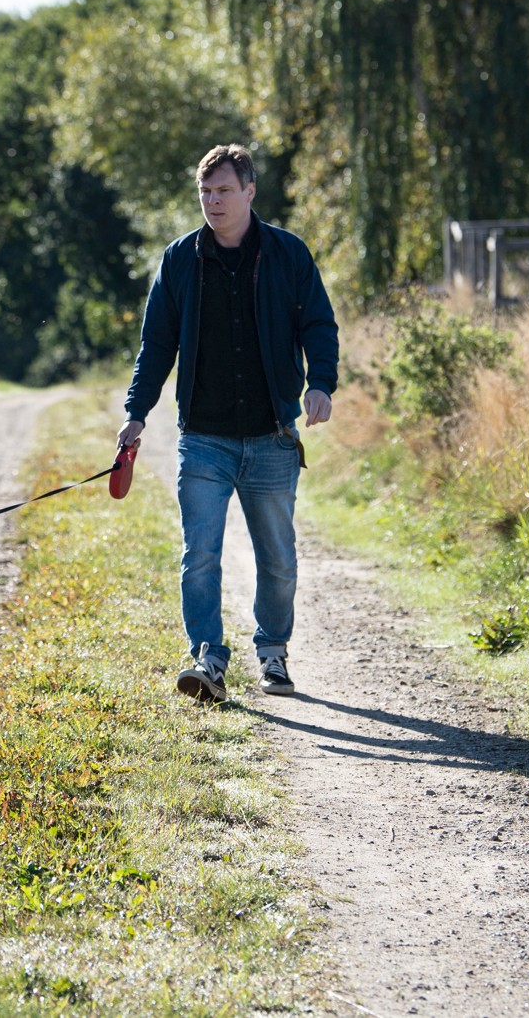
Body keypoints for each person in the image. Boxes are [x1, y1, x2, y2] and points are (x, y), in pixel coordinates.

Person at [117, 144, 338, 702]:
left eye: (223, 191)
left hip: (272, 437)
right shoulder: (180, 260)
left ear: (249, 192)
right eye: (205, 192)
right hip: (204, 438)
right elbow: (157, 344)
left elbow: (319, 323)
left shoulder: (288, 254)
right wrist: (136, 414)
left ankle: (273, 655)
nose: (213, 202)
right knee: (201, 555)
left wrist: (320, 383)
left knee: (278, 559)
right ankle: (208, 661)